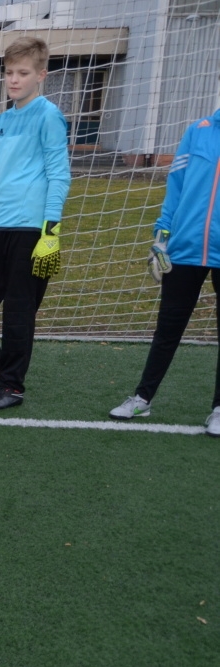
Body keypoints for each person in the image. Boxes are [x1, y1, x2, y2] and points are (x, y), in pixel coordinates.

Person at [0, 37, 71, 409]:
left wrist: (50, 230)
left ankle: (13, 386)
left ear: (41, 75)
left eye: (23, 73)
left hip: (30, 229)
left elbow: (59, 174)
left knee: (19, 312)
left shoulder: (48, 115)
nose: (15, 80)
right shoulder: (1, 122)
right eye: (9, 73)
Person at [109, 109, 220, 436]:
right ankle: (143, 397)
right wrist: (162, 235)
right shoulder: (197, 131)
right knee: (167, 328)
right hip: (185, 248)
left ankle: (218, 409)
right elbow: (176, 186)